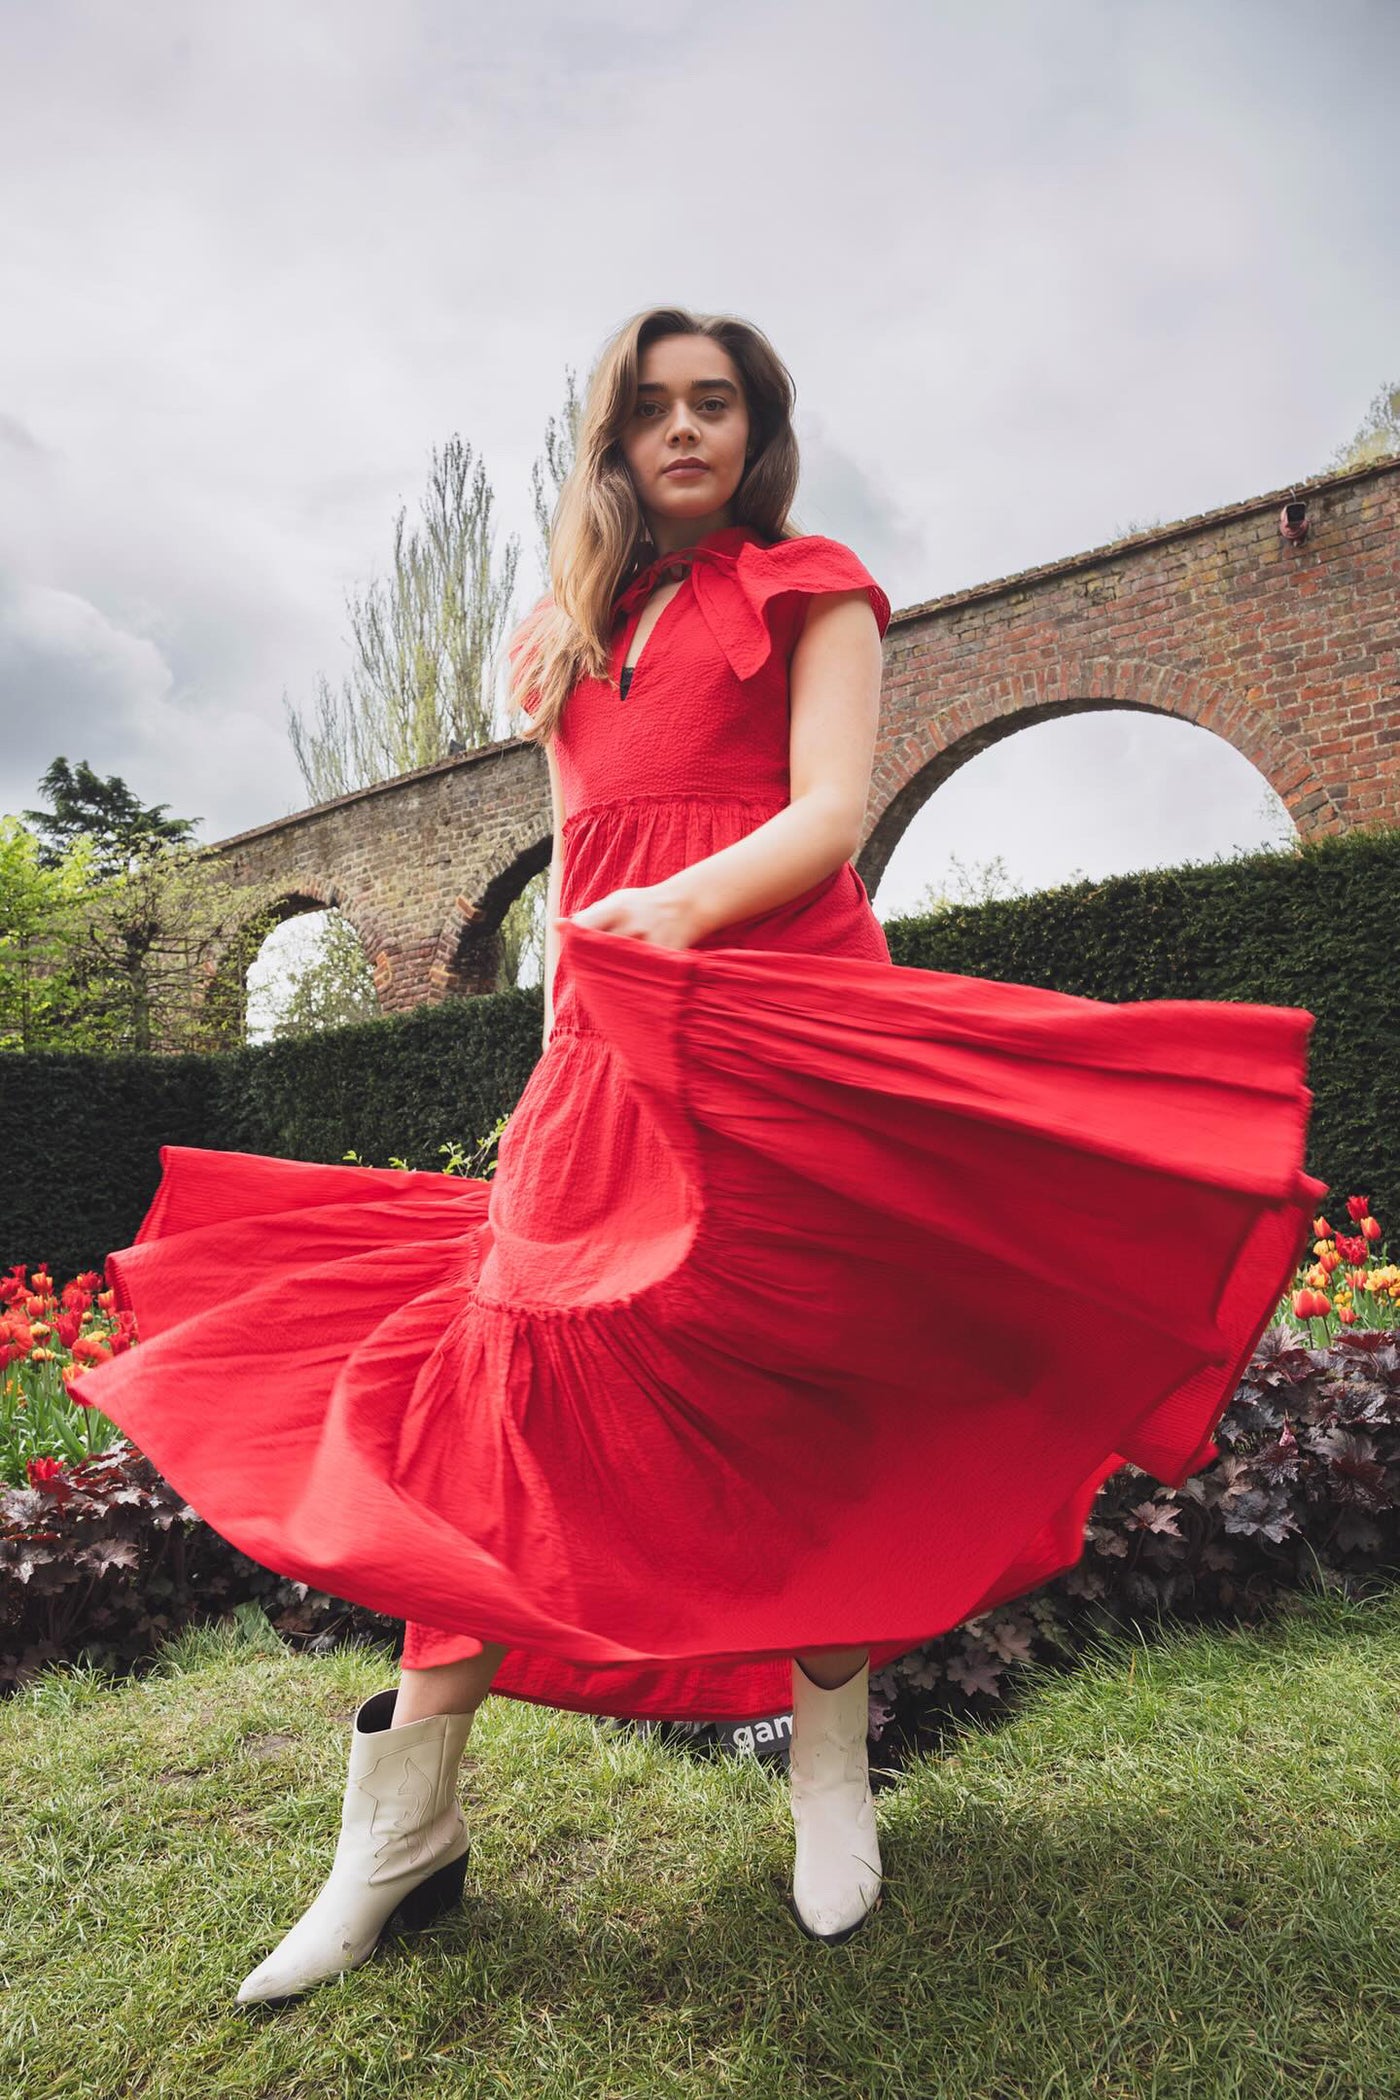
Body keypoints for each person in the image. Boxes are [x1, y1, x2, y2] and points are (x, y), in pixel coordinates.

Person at [73, 305, 1323, 2006]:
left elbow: (822, 816)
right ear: (609, 439)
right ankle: (398, 1842)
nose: (683, 430)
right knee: (501, 1399)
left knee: (812, 1380)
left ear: (756, 427)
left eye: (714, 403)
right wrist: (566, 1034)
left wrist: (669, 911)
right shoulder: (558, 641)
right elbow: (585, 843)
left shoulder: (815, 586)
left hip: (788, 1021)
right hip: (605, 1047)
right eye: (652, 407)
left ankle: (827, 1764)